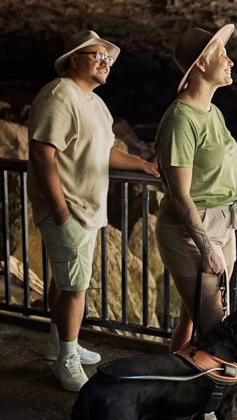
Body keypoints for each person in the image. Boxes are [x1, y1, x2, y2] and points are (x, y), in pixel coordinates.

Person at [27, 30, 160, 392]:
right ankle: (66, 360)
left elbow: (105, 150)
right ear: (74, 59)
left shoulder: (94, 102)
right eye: (98, 55)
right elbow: (42, 153)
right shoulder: (59, 95)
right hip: (69, 207)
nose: (106, 62)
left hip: (86, 209)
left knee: (63, 280)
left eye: (109, 59)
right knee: (75, 287)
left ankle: (58, 344)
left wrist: (142, 165)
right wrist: (60, 209)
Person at [154, 24, 237, 352]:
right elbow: (180, 192)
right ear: (201, 64)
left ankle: (174, 383)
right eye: (222, 54)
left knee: (191, 316)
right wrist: (207, 249)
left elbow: (223, 172)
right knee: (214, 329)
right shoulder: (181, 120)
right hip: (191, 232)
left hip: (222, 224)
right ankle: (206, 400)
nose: (231, 61)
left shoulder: (213, 112)